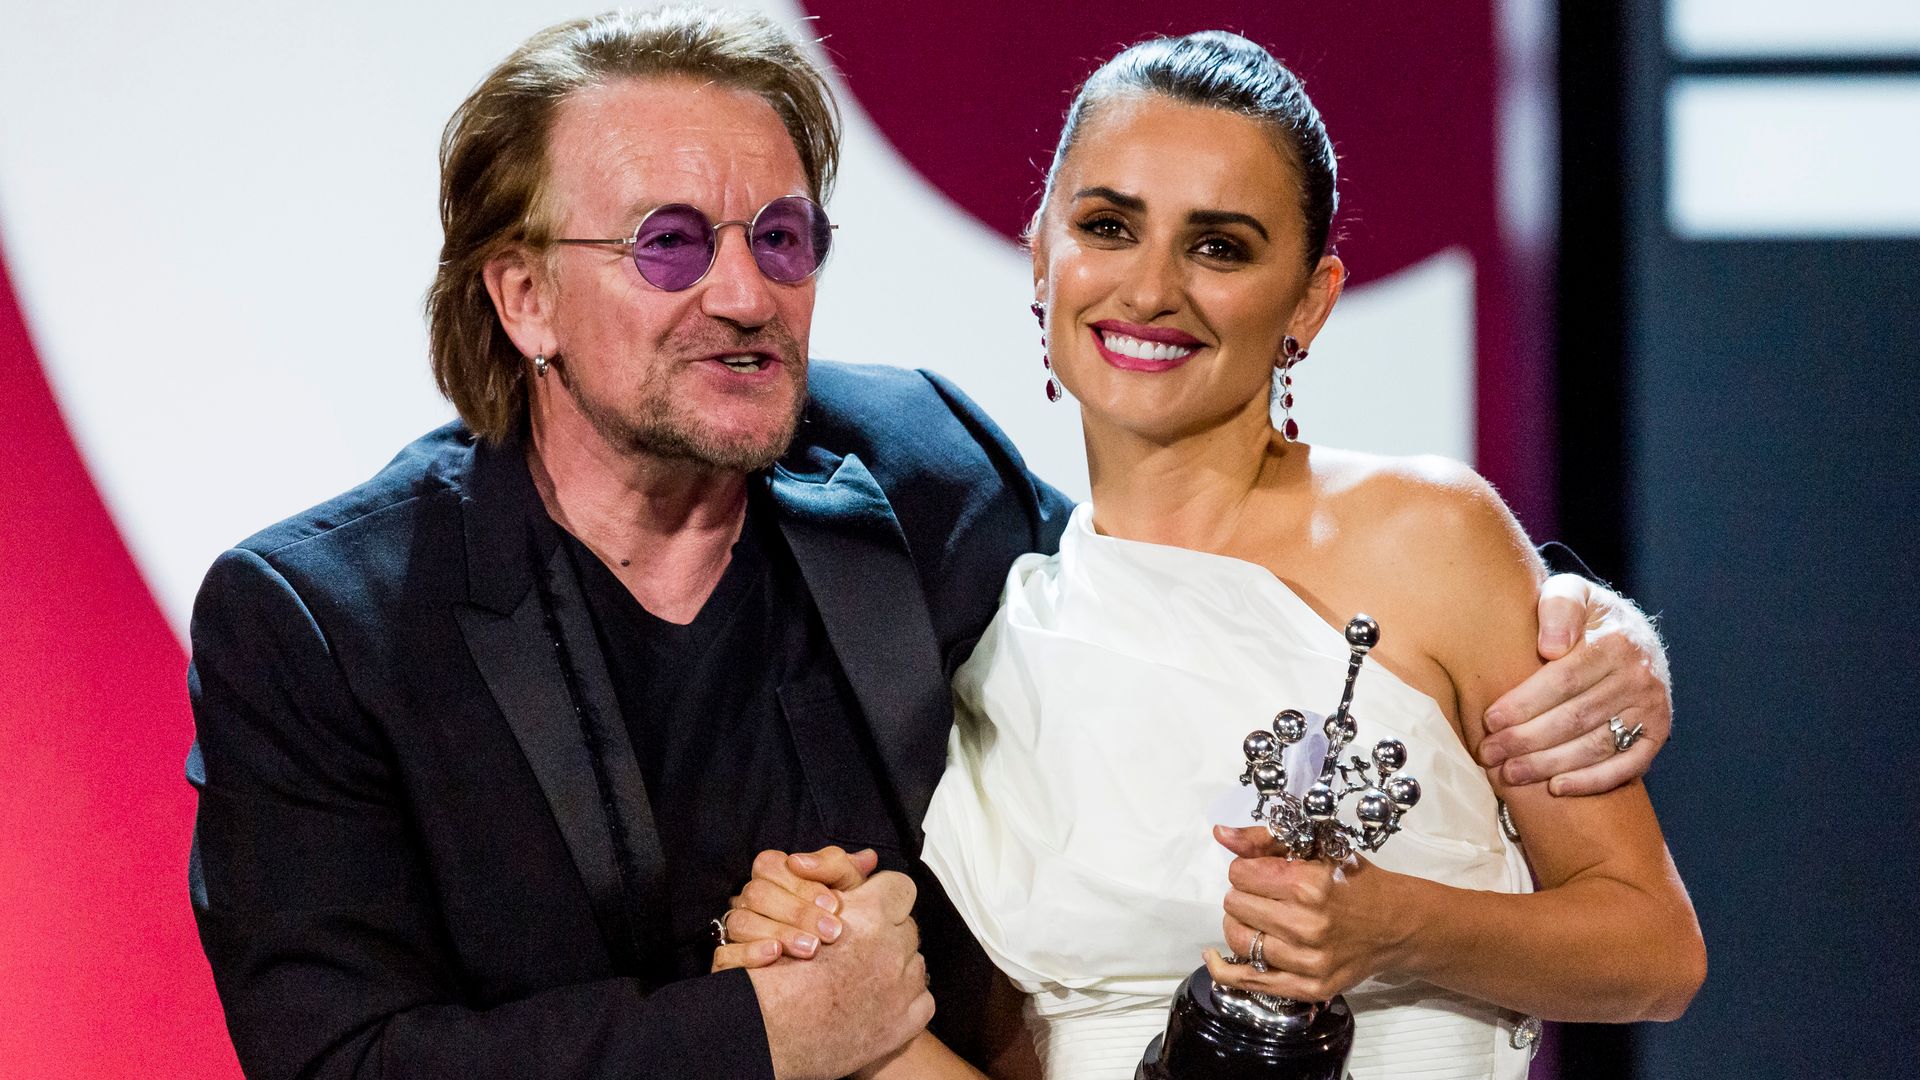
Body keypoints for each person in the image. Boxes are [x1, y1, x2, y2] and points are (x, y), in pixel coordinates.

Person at [185, 9, 1676, 1080]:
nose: (745, 294)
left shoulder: (920, 473)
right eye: (668, 245)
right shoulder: (322, 619)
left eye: (781, 238)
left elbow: (1195, 596)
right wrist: (769, 1034)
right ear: (521, 300)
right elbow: (341, 1060)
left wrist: (1583, 631)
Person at [717, 30, 1704, 1080]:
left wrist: (1399, 926)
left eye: (1219, 246)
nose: (1150, 289)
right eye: (1108, 226)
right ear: (1040, 253)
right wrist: (841, 993)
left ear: (1311, 301)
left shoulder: (1431, 535)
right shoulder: (1006, 632)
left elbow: (1653, 952)